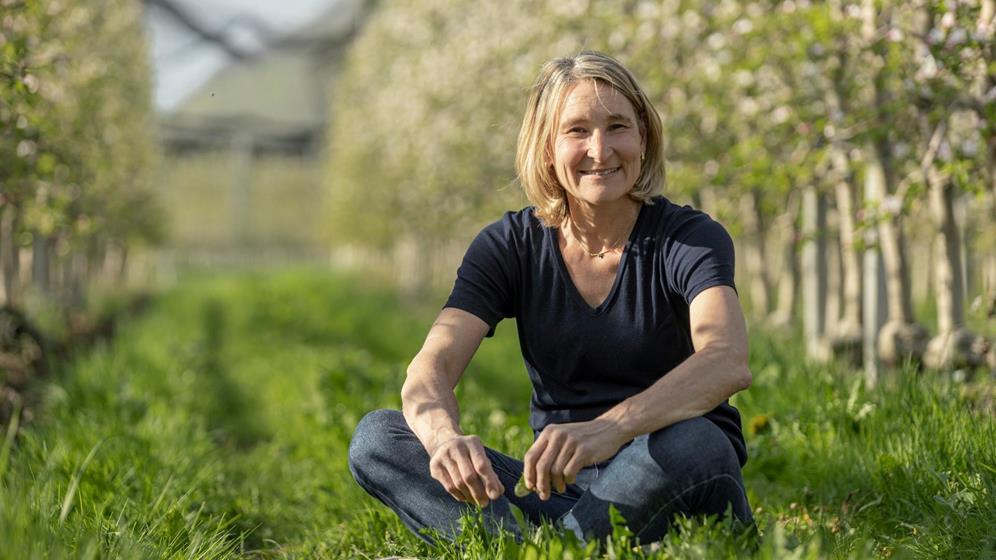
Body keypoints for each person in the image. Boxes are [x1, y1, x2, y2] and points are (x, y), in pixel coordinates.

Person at [348, 50, 754, 546]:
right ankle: (565, 546)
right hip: (562, 492)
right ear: (546, 148)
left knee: (696, 440)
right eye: (577, 130)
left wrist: (612, 428)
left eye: (619, 127)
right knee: (378, 438)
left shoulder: (688, 238)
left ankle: (535, 551)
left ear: (643, 139)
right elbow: (430, 368)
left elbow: (726, 360)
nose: (600, 150)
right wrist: (443, 440)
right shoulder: (510, 245)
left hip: (673, 478)